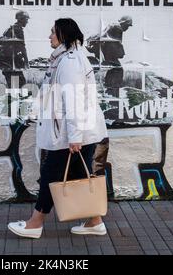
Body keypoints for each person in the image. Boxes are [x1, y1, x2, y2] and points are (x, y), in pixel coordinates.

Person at [7, 18, 108, 239]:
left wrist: (74, 137)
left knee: (51, 175)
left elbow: (72, 101)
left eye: (52, 32)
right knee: (80, 175)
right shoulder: (67, 58)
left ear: (62, 35)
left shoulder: (69, 62)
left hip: (69, 134)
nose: (49, 36)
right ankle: (94, 221)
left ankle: (35, 223)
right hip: (78, 132)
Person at [86, 16, 133, 97]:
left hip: (102, 51)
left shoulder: (113, 26)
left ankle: (109, 90)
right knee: (118, 70)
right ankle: (111, 93)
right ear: (124, 23)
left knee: (116, 69)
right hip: (105, 52)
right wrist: (121, 53)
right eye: (127, 25)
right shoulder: (117, 28)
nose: (127, 28)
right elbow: (116, 44)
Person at [0, 10, 30, 88]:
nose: (27, 22)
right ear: (21, 19)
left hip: (7, 64)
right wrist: (26, 62)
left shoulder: (9, 29)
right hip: (12, 64)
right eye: (26, 19)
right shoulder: (18, 30)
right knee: (20, 85)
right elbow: (22, 47)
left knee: (16, 85)